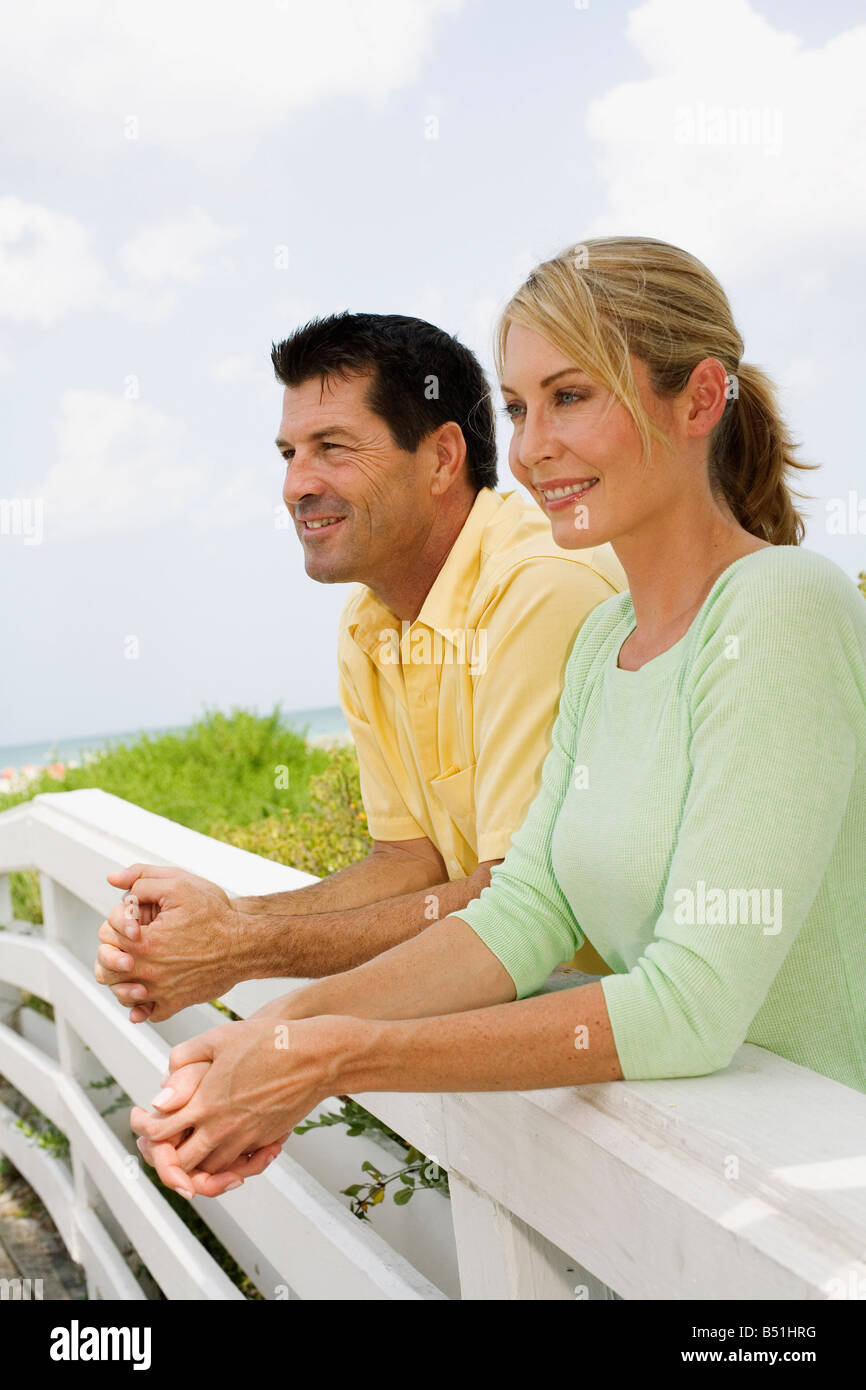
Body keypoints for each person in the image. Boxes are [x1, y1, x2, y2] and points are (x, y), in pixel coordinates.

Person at [132, 237, 866, 1204]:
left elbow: (689, 1007)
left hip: (817, 1207)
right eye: (518, 409)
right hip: (697, 1191)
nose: (529, 449)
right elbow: (525, 911)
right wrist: (278, 1032)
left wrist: (330, 1060)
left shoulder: (780, 608)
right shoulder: (609, 638)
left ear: (698, 401)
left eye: (572, 396)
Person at [94, 312, 623, 1029]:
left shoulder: (536, 589)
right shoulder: (370, 620)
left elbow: (516, 899)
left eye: (332, 448)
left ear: (441, 459)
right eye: (288, 453)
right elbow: (411, 863)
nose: (296, 486)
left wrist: (242, 947)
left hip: (683, 1042)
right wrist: (225, 920)